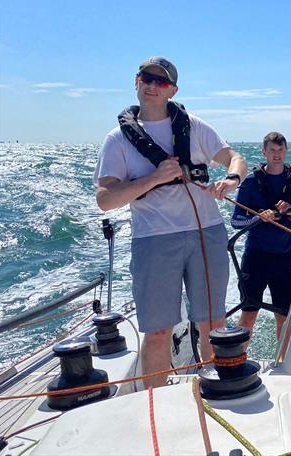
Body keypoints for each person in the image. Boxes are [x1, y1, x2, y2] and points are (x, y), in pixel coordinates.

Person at [94, 56, 247, 388]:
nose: (151, 85)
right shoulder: (117, 140)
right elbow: (105, 199)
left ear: (172, 90)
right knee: (158, 330)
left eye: (160, 82)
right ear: (136, 81)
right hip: (154, 239)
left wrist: (231, 180)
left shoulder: (195, 126)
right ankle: (156, 407)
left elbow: (235, 158)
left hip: (206, 233)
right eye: (146, 78)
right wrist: (153, 179)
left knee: (213, 323)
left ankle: (216, 395)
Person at [231, 132, 291, 339]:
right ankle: (237, 364)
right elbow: (235, 222)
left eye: (280, 150)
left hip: (283, 257)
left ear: (286, 151)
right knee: (248, 314)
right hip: (255, 257)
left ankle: (285, 366)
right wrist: (258, 218)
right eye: (272, 150)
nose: (277, 154)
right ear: (264, 151)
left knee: (284, 316)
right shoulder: (249, 182)